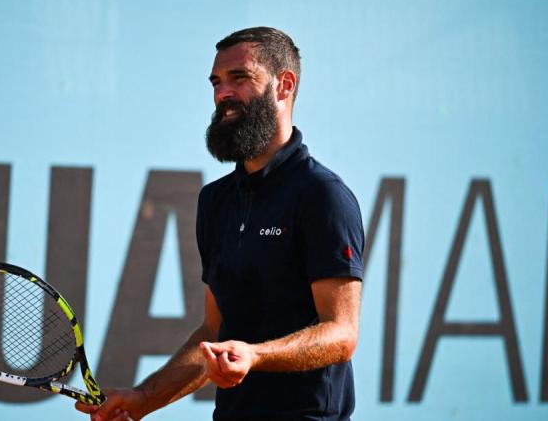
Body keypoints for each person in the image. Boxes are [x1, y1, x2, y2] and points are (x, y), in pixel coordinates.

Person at [77, 26, 364, 421]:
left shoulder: (323, 195)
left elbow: (342, 334)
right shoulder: (215, 201)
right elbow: (213, 333)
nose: (222, 93)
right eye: (216, 81)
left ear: (284, 85)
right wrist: (143, 399)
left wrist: (255, 355)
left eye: (239, 78)